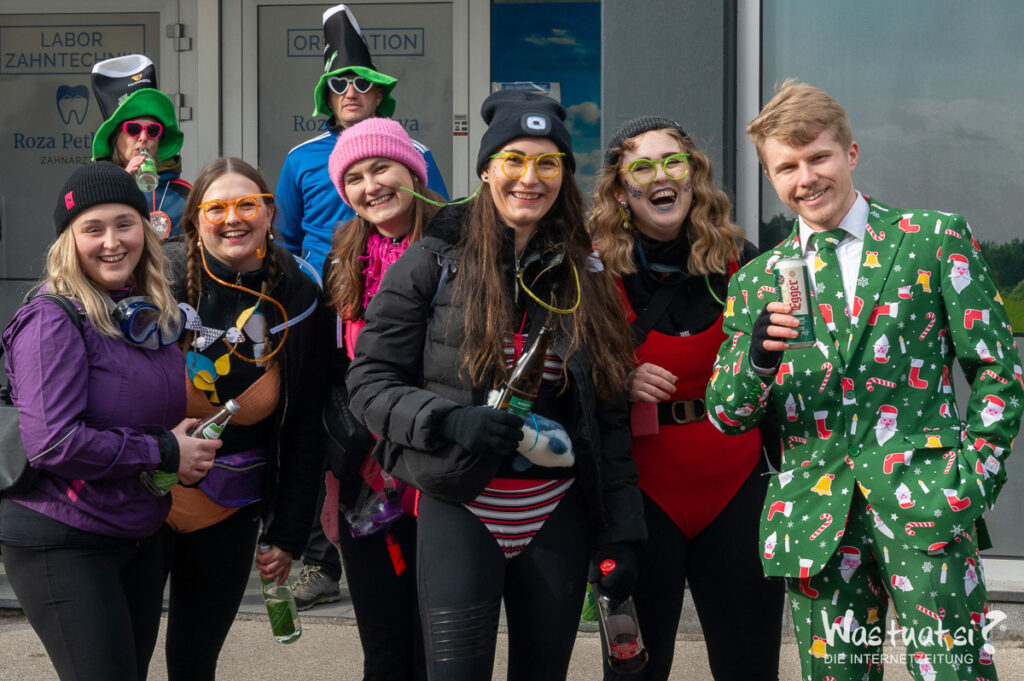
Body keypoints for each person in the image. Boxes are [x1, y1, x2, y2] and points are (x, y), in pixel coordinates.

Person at [705, 80, 1023, 681]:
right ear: (771, 177)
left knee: (955, 672)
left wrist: (974, 475)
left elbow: (997, 370)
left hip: (929, 502)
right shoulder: (757, 279)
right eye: (787, 167)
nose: (806, 178)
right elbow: (726, 416)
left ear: (850, 153)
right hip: (814, 522)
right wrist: (758, 360)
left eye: (818, 157)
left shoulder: (932, 239)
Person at [346, 90, 645, 680]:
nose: (529, 179)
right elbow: (368, 383)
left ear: (563, 175)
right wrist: (448, 420)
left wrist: (620, 534)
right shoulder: (432, 260)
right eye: (514, 160)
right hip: (461, 505)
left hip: (555, 515)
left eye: (547, 163)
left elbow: (606, 415)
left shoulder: (585, 272)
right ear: (486, 170)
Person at [0, 162, 218, 681]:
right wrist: (165, 451)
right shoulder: (53, 318)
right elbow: (54, 443)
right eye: (92, 229)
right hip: (64, 537)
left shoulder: (146, 310)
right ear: (68, 241)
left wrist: (184, 444)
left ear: (145, 229)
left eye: (125, 224)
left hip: (138, 531)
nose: (112, 242)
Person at [588, 116, 784, 680]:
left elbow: (789, 367)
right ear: (620, 189)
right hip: (641, 495)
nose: (661, 177)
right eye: (642, 168)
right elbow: (565, 376)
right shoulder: (594, 270)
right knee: (636, 671)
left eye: (673, 162)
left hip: (737, 486)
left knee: (750, 668)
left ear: (693, 176)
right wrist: (618, 380)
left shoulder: (741, 260)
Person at [276, 3, 449, 608]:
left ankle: (415, 548)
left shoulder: (416, 153)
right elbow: (286, 242)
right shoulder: (301, 159)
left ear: (379, 94)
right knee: (338, 436)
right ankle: (325, 561)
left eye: (361, 82)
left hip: (410, 322)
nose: (349, 91)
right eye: (338, 84)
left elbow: (441, 228)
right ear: (326, 96)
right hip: (333, 312)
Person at [160, 158, 326, 680]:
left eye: (247, 204)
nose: (233, 218)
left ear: (270, 213)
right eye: (217, 208)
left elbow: (303, 425)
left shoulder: (298, 291)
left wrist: (288, 533)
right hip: (143, 493)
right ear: (195, 219)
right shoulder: (158, 277)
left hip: (229, 505)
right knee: (120, 653)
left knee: (194, 661)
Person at [320, 117, 443, 680]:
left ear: (413, 171)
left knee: (438, 647)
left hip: (440, 471)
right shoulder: (344, 258)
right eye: (354, 178)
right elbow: (334, 380)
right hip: (366, 480)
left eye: (381, 168)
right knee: (384, 646)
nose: (370, 186)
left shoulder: (459, 247)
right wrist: (331, 488)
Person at [91, 54, 192, 239]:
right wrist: (121, 185)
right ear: (115, 138)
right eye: (133, 129)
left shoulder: (184, 193)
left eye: (153, 130)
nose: (143, 137)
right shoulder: (94, 191)